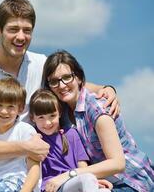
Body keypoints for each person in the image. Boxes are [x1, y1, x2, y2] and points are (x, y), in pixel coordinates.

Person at [0, 0, 119, 190]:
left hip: (32, 177)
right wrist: (26, 147)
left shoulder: (39, 63)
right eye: (13, 29)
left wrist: (105, 89)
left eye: (27, 30)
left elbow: (67, 83)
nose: (20, 36)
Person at [41, 50, 154, 192]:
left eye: (67, 77)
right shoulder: (59, 111)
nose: (62, 85)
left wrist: (69, 175)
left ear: (79, 78)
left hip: (131, 181)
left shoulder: (97, 109)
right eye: (54, 81)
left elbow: (118, 163)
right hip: (100, 181)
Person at [29, 89, 112, 192]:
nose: (47, 122)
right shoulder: (35, 139)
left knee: (104, 191)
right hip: (51, 188)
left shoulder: (71, 134)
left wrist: (93, 182)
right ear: (32, 118)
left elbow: (82, 166)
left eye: (52, 116)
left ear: (59, 113)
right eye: (41, 117)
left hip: (74, 180)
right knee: (88, 179)